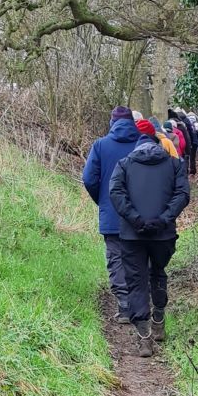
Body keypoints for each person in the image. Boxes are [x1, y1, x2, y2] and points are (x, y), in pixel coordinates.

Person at [108, 121, 190, 355]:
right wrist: (163, 219)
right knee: (158, 272)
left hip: (132, 235)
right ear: (158, 143)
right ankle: (159, 321)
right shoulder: (174, 164)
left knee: (136, 280)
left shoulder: (123, 165)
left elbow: (116, 193)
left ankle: (144, 337)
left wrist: (135, 219)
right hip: (163, 234)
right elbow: (183, 194)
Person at [81, 106, 142, 319]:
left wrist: (103, 200)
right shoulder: (142, 143)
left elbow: (89, 179)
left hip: (112, 213)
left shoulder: (100, 146)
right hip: (141, 213)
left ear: (112, 122)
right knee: (138, 257)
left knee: (116, 258)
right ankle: (140, 304)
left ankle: (125, 306)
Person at [169, 105, 198, 177]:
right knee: (191, 158)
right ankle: (191, 172)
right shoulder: (188, 122)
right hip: (192, 142)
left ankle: (186, 172)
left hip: (177, 147)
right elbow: (197, 134)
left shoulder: (173, 123)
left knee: (183, 159)